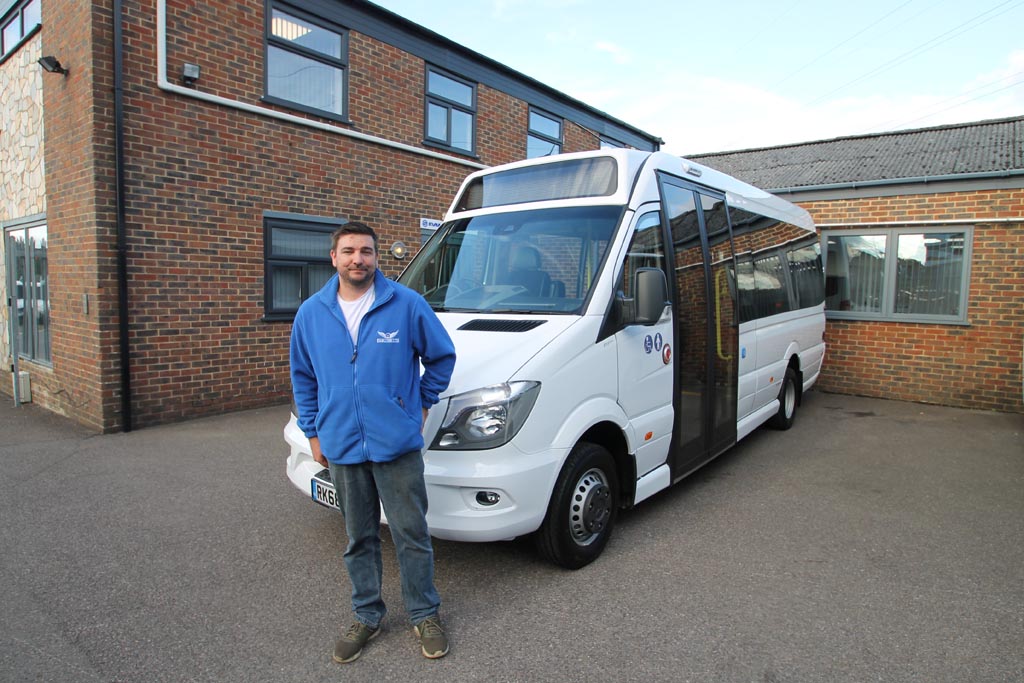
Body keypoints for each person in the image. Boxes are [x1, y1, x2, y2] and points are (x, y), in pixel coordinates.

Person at [289, 221, 456, 663]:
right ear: (334, 258)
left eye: (365, 251)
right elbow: (303, 378)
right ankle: (366, 614)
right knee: (358, 537)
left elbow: (441, 356)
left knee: (411, 534)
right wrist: (313, 430)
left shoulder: (406, 304)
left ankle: (424, 613)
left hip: (396, 445)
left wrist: (419, 404)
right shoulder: (311, 313)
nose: (357, 259)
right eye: (348, 251)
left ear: (376, 257)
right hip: (341, 444)